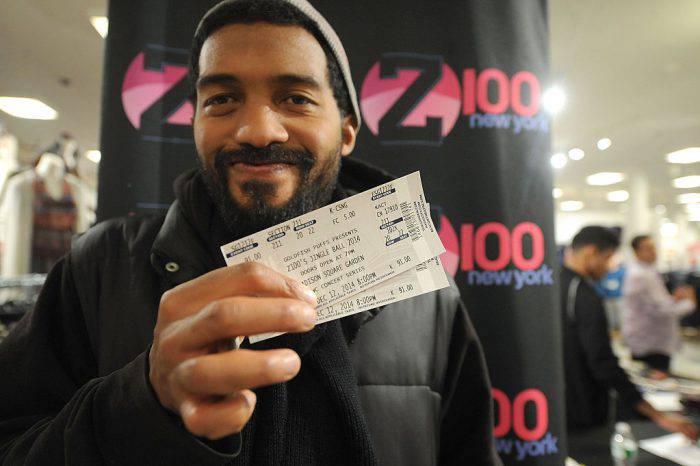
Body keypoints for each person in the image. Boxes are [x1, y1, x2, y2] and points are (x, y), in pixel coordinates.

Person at [0, 1, 500, 464]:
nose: (258, 131)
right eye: (222, 99)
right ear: (195, 121)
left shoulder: (426, 301)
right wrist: (140, 403)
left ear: (347, 130)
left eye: (296, 98)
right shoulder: (97, 268)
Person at [560, 227, 697, 450]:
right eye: (607, 259)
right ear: (591, 253)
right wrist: (656, 414)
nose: (608, 268)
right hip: (583, 413)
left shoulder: (555, 284)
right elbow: (601, 361)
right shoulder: (583, 295)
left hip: (563, 407)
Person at [622, 234, 697, 372]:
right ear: (637, 251)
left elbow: (656, 303)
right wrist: (689, 302)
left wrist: (674, 299)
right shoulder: (641, 276)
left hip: (653, 341)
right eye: (648, 248)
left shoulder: (648, 272)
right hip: (650, 343)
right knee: (653, 379)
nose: (653, 252)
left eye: (654, 247)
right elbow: (662, 310)